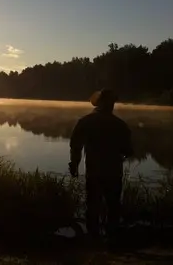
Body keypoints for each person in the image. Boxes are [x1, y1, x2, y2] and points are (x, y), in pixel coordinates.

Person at [68, 88, 133, 238]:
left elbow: (75, 146)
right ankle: (112, 237)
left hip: (93, 171)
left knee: (92, 205)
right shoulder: (120, 125)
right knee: (113, 206)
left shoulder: (85, 121)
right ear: (111, 104)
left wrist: (74, 164)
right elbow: (129, 151)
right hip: (114, 172)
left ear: (98, 104)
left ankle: (93, 238)